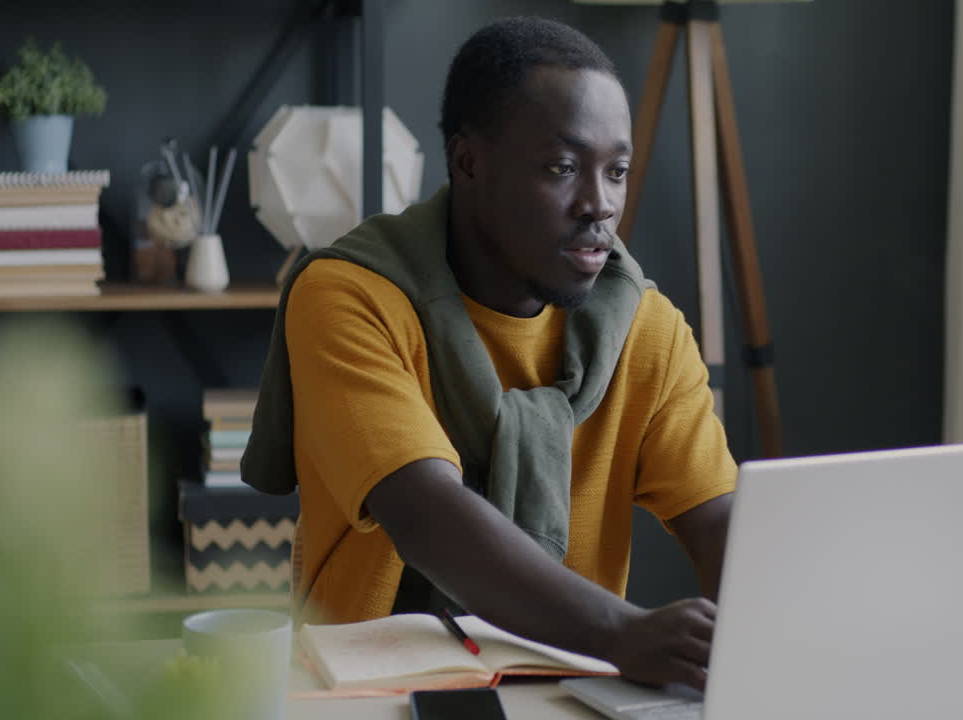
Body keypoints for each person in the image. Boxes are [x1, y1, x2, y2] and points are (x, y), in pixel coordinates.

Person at [243, 17, 736, 690]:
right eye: (563, 168)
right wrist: (623, 633)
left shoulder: (645, 328)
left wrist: (767, 632)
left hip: (573, 691)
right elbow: (424, 514)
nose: (600, 204)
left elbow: (719, 526)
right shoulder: (349, 298)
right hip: (363, 693)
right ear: (469, 162)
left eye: (616, 171)